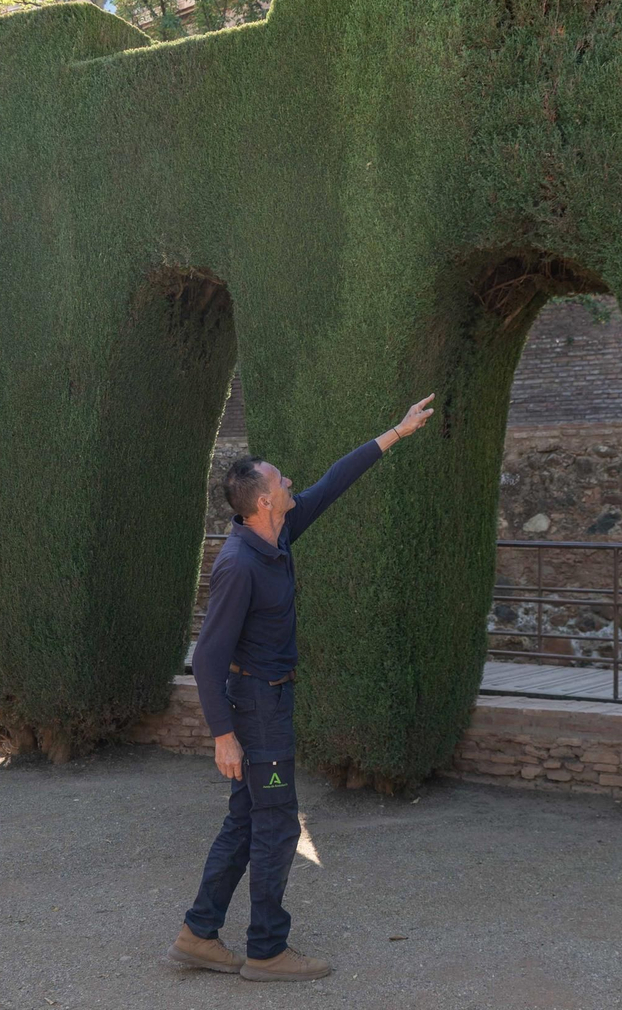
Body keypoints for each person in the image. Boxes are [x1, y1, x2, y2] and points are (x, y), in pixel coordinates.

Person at [167, 395, 435, 982]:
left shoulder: (278, 534)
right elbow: (207, 657)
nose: (291, 482)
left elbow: (334, 482)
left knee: (246, 821)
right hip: (258, 710)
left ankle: (197, 932)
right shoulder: (240, 564)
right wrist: (223, 737)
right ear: (263, 500)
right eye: (280, 480)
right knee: (278, 822)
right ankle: (266, 950)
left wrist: (397, 431)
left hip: (269, 701)